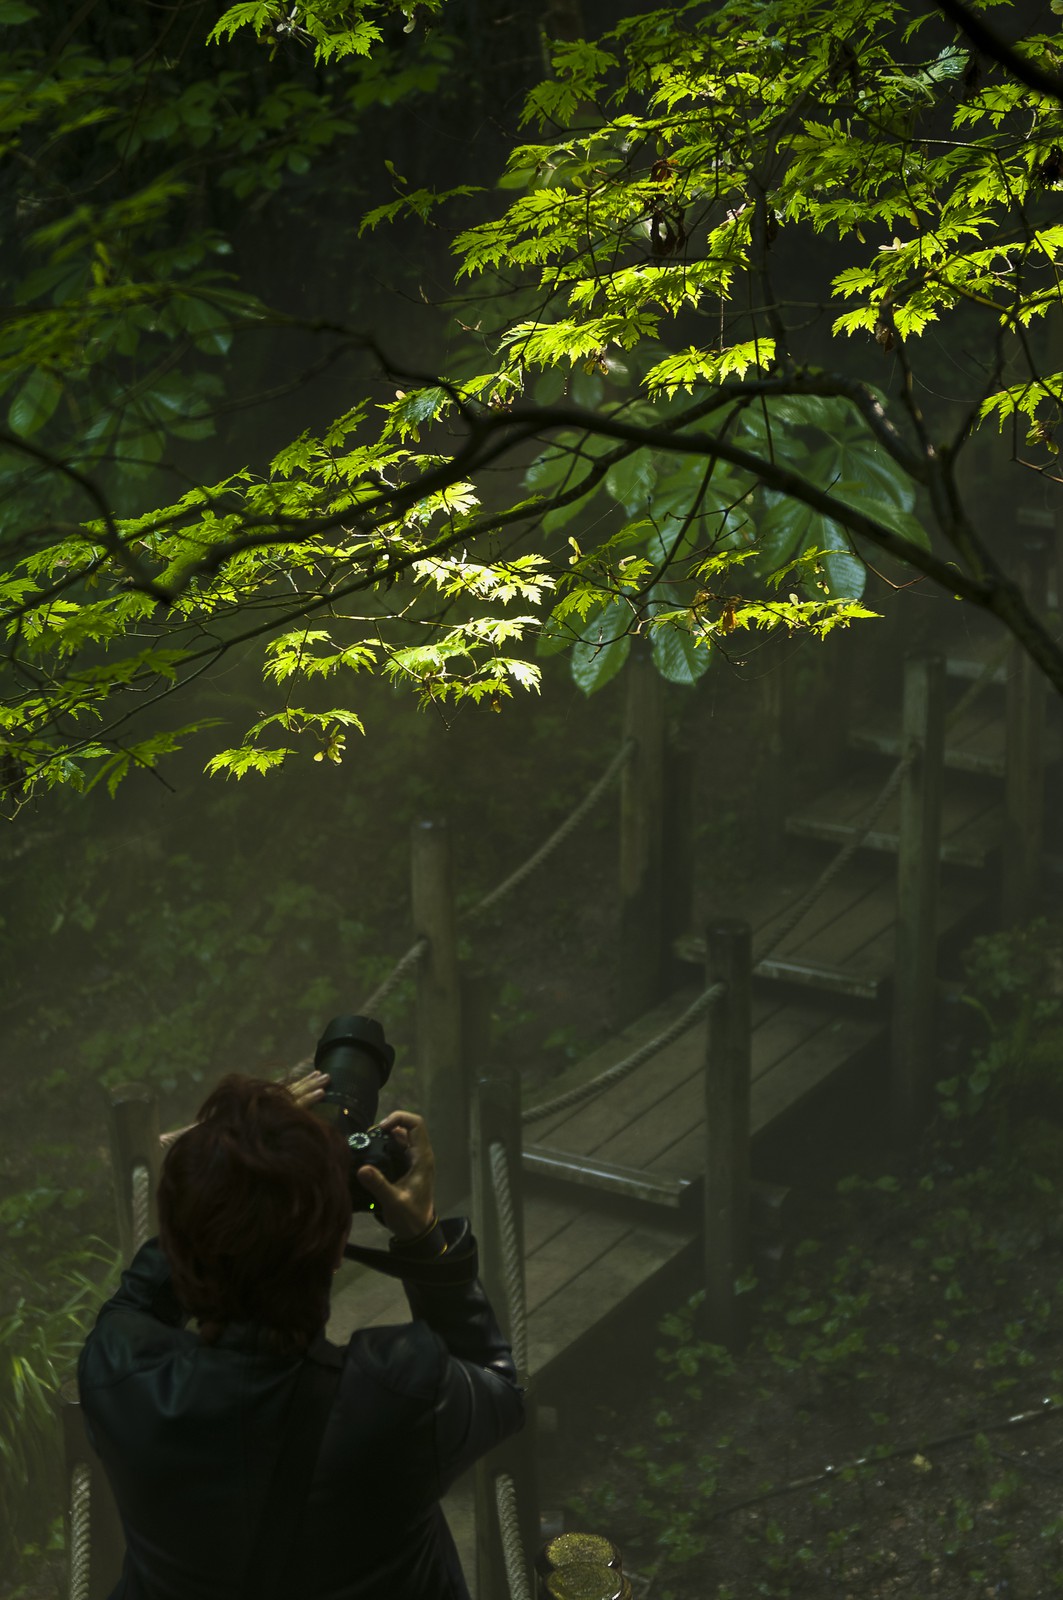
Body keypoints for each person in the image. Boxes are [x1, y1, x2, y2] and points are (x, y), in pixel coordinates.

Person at [77, 1073, 525, 1600]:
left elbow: (138, 1300)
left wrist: (213, 1172)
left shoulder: (121, 1379)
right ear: (338, 1248)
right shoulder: (403, 1392)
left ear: (181, 1243)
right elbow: (498, 1389)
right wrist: (422, 1239)